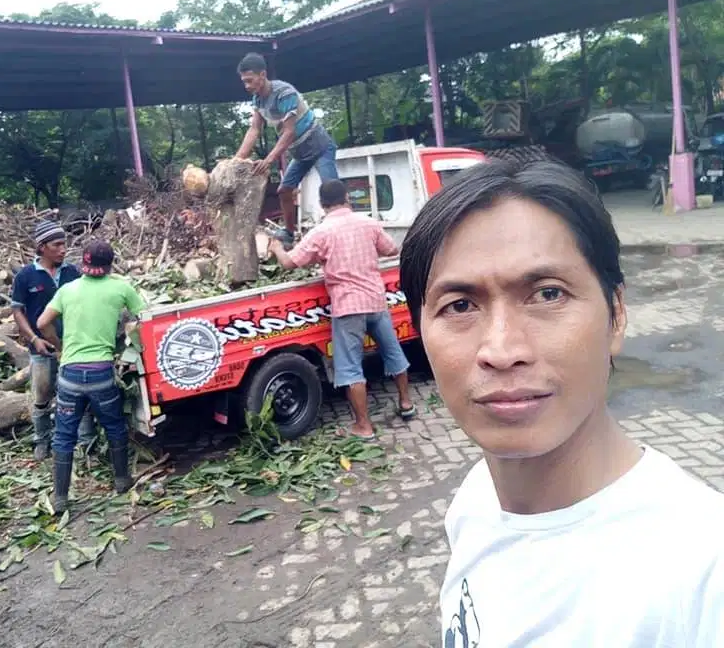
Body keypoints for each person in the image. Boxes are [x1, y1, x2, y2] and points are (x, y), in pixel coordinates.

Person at [397, 160, 724, 646]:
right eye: (460, 306)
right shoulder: (475, 500)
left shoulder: (703, 574)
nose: (502, 351)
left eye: (548, 294)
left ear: (616, 315)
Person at [268, 179, 414, 440]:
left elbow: (291, 263)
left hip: (348, 306)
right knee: (393, 353)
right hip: (375, 300)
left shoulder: (322, 232)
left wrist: (277, 247)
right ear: (347, 197)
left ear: (323, 204)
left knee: (350, 368)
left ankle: (364, 426)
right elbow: (392, 249)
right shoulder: (368, 223)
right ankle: (406, 403)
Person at [36, 239, 145, 510]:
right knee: (115, 426)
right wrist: (132, 348)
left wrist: (59, 347)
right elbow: (145, 319)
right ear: (109, 264)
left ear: (83, 263)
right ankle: (121, 480)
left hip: (70, 374)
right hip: (101, 374)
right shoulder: (121, 288)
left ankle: (60, 497)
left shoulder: (67, 289)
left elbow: (41, 323)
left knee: (64, 436)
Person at [234, 52, 339, 249]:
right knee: (284, 191)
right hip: (300, 153)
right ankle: (289, 234)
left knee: (332, 192)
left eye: (250, 80)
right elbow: (255, 129)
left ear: (262, 75)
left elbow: (289, 132)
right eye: (244, 82)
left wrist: (269, 159)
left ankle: (342, 234)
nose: (247, 86)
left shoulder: (284, 93)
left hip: (319, 147)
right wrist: (237, 160)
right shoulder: (258, 100)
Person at [11, 219, 93, 461]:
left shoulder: (72, 273)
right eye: (57, 245)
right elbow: (18, 311)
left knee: (79, 392)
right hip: (42, 347)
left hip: (73, 345)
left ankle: (85, 441)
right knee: (42, 393)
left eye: (64, 244)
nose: (63, 249)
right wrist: (34, 339)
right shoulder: (26, 276)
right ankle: (42, 440)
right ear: (42, 247)